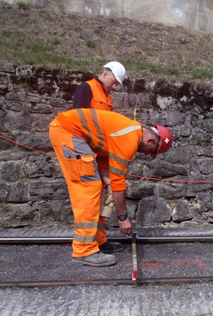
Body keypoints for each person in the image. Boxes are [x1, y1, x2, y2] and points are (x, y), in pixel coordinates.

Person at [49, 108, 173, 266]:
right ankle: (84, 250)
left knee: (100, 187)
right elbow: (118, 182)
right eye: (152, 152)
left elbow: (101, 153)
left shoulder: (129, 131)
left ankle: (99, 240)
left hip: (72, 132)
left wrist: (107, 182)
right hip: (67, 131)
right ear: (151, 142)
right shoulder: (129, 139)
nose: (148, 154)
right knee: (89, 188)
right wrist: (123, 218)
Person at [72, 61, 127, 253]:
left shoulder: (107, 97)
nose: (114, 87)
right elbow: (77, 121)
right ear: (106, 74)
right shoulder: (87, 88)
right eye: (114, 83)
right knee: (91, 197)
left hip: (100, 153)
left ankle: (101, 240)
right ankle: (86, 248)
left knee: (105, 196)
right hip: (86, 152)